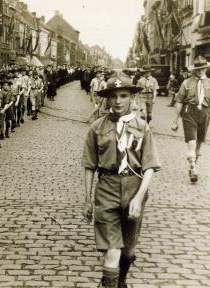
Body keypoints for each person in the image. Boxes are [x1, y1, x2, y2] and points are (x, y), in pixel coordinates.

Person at [82, 72, 161, 288]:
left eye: (124, 96)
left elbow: (150, 167)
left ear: (132, 98)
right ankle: (110, 283)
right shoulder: (97, 127)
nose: (118, 101)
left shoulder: (142, 127)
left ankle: (121, 279)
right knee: (112, 249)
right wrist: (88, 199)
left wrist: (139, 197)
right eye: (113, 96)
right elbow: (89, 165)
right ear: (107, 98)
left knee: (128, 250)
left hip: (134, 189)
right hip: (106, 189)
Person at [172, 55, 210, 183]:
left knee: (198, 145)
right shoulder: (186, 82)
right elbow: (179, 101)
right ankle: (193, 169)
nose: (200, 71)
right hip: (189, 112)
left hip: (204, 113)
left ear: (206, 69)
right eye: (197, 69)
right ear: (194, 69)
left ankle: (193, 164)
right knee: (191, 142)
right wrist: (175, 120)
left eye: (202, 68)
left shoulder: (209, 83)